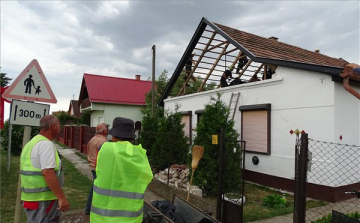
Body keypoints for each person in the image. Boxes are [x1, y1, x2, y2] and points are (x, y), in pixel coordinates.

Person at [90, 117, 153, 223]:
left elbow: (98, 168)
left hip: (102, 216)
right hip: (130, 216)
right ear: (132, 138)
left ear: (114, 136)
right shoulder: (140, 154)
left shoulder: (104, 148)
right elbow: (147, 177)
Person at [20, 115, 69, 223]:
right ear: (53, 126)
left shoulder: (31, 143)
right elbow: (48, 173)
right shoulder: (46, 145)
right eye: (59, 126)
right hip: (43, 200)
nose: (60, 129)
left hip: (31, 199)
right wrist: (61, 198)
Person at [85, 123, 109, 215]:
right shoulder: (102, 142)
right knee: (99, 188)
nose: (108, 131)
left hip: (92, 166)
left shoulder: (92, 139)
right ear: (103, 131)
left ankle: (89, 208)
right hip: (99, 167)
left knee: (95, 187)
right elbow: (104, 157)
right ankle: (93, 208)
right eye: (106, 129)